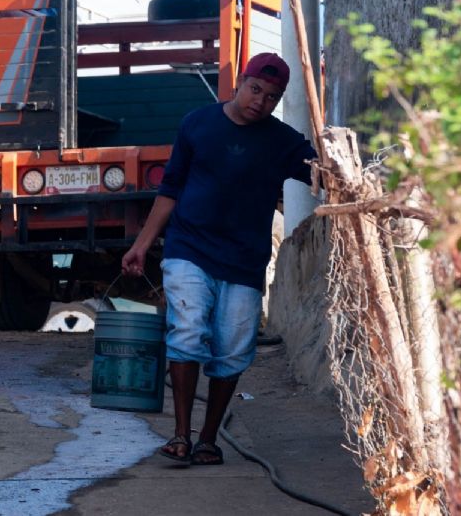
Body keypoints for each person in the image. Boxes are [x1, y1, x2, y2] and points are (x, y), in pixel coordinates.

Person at [122, 53, 317, 465]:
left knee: (232, 349)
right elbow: (171, 189)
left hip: (244, 262)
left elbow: (322, 174)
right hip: (189, 249)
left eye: (272, 97)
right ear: (240, 82)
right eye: (256, 89)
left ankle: (209, 439)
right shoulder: (198, 123)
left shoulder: (282, 141)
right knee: (188, 331)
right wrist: (141, 244)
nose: (260, 101)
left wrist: (337, 164)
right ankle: (179, 436)